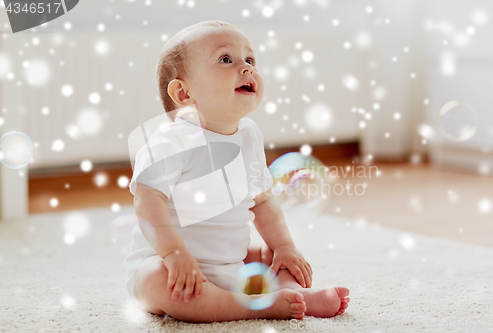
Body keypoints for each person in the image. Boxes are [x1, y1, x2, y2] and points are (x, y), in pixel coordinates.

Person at [125, 20, 350, 323]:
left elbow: (262, 201)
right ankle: (251, 306)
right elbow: (147, 201)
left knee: (270, 253)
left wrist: (284, 246)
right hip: (173, 268)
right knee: (152, 279)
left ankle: (295, 293)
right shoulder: (170, 142)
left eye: (250, 60)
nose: (246, 68)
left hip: (231, 264)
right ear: (183, 93)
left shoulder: (249, 135)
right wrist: (174, 254)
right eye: (226, 59)